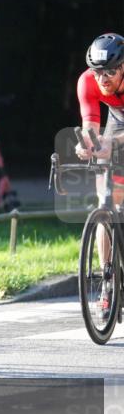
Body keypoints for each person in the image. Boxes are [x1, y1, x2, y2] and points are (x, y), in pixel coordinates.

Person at [73, 32, 124, 315]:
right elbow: (90, 124)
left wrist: (111, 144)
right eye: (98, 72)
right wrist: (90, 146)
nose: (103, 78)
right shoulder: (87, 82)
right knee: (105, 202)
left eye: (110, 72)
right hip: (118, 119)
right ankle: (108, 282)